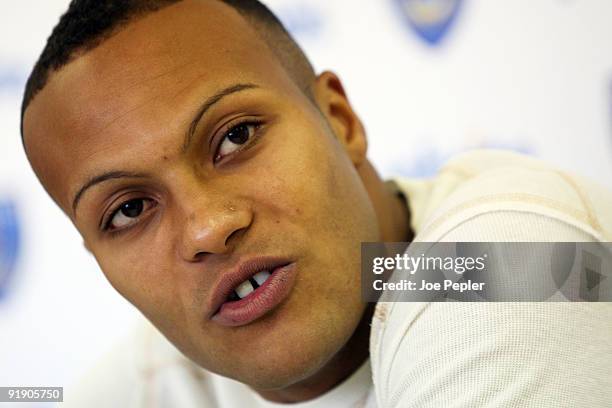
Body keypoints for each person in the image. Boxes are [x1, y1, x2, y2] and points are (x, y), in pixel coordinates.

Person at [20, 0, 612, 407]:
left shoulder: (515, 259)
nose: (206, 228)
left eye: (236, 137)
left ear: (340, 119)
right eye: (127, 210)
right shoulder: (155, 381)